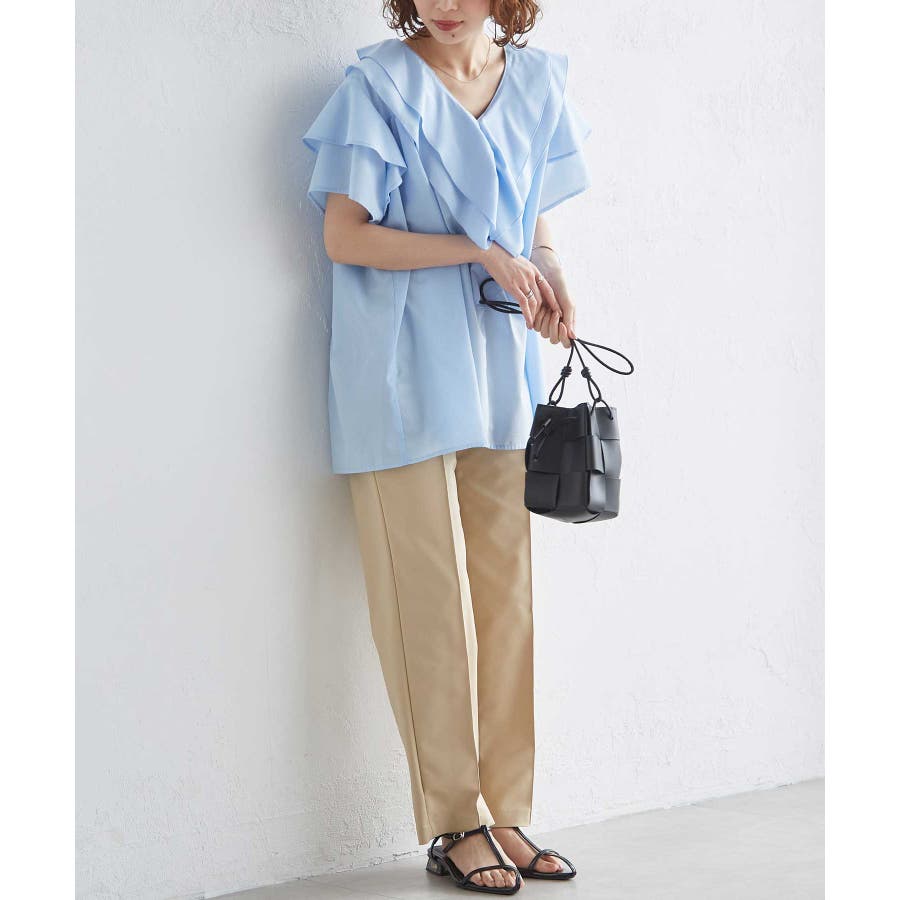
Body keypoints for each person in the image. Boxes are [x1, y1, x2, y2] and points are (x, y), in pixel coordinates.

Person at [301, 1, 591, 893]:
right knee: (423, 602)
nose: (442, 5)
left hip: (498, 368)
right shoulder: (378, 87)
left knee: (508, 599)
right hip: (397, 374)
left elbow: (531, 221)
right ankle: (455, 822)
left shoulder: (536, 85)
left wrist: (549, 272)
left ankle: (506, 810)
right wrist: (478, 254)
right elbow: (344, 235)